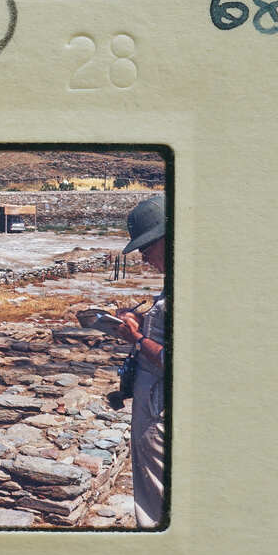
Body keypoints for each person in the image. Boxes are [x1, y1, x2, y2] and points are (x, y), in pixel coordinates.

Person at [116, 194, 167, 529]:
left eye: (147, 246)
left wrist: (136, 338)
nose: (143, 256)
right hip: (154, 403)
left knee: (156, 501)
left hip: (158, 409)